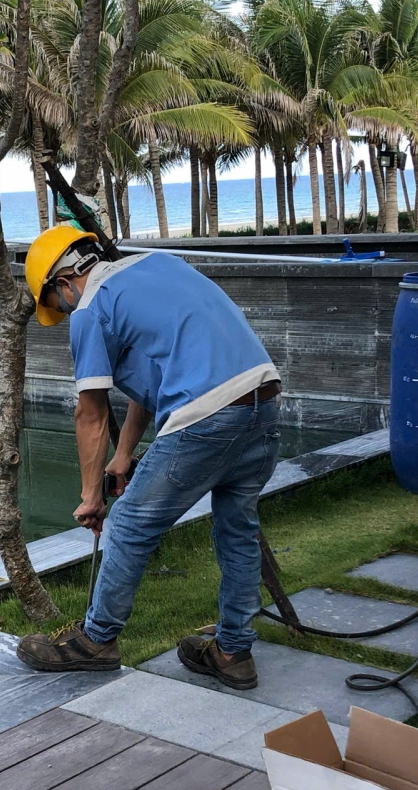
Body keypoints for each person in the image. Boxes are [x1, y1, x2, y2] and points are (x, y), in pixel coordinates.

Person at [14, 224, 282, 689]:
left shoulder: (90, 309)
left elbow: (90, 414)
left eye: (58, 304)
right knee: (238, 530)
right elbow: (156, 378)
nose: (65, 313)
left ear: (63, 283)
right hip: (264, 400)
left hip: (207, 413)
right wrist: (123, 455)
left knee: (128, 524)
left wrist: (91, 497)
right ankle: (233, 652)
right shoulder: (160, 266)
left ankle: (95, 641)